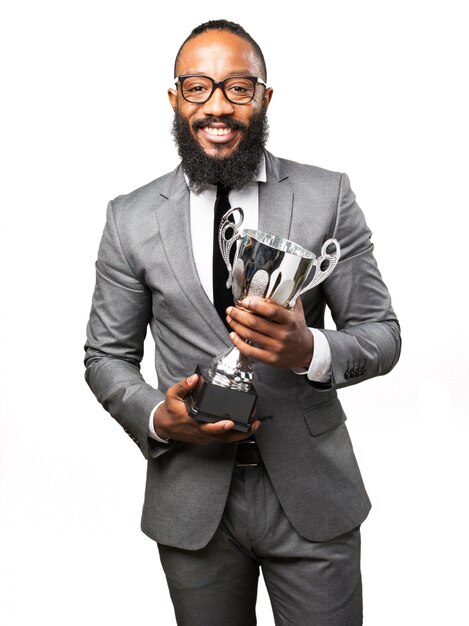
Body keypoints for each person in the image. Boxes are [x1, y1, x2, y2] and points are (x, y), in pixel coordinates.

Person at [84, 19, 401, 626]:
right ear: (176, 99)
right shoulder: (129, 219)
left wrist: (309, 348)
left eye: (237, 87)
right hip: (192, 500)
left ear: (264, 97)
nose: (217, 107)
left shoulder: (325, 196)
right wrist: (160, 417)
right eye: (198, 88)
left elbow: (380, 333)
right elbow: (105, 357)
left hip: (312, 497)